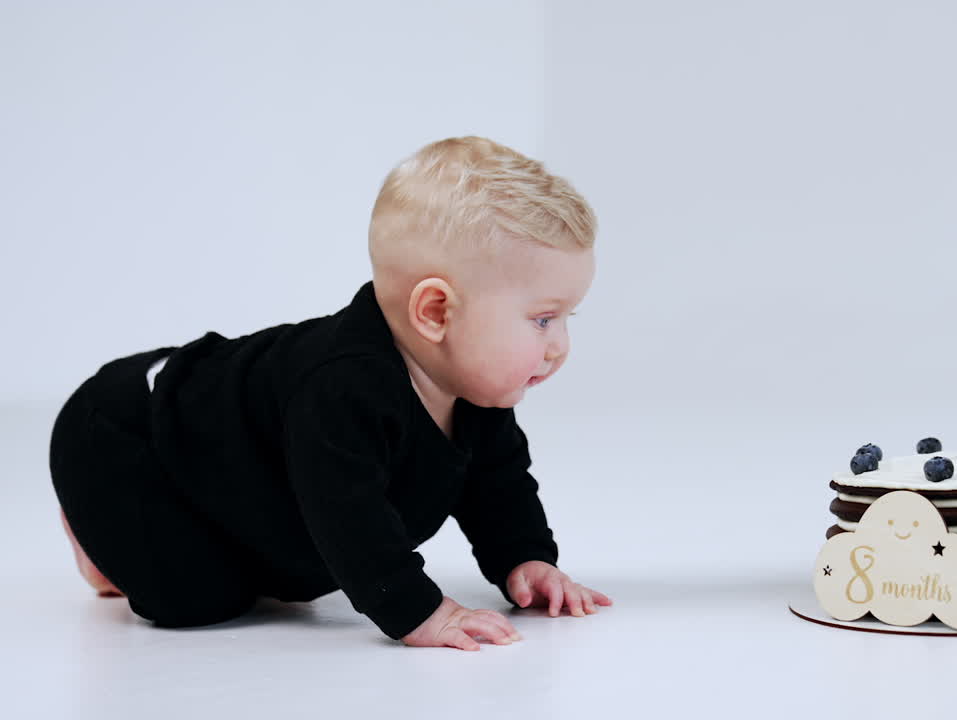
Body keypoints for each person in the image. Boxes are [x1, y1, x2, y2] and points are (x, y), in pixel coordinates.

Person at [49, 136, 611, 651]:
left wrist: (527, 558)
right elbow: (349, 514)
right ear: (437, 312)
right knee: (193, 602)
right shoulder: (343, 387)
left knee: (284, 573)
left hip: (232, 472)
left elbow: (498, 483)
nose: (559, 346)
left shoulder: (474, 390)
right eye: (542, 320)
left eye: (567, 318)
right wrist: (420, 612)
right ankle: (100, 536)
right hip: (126, 434)